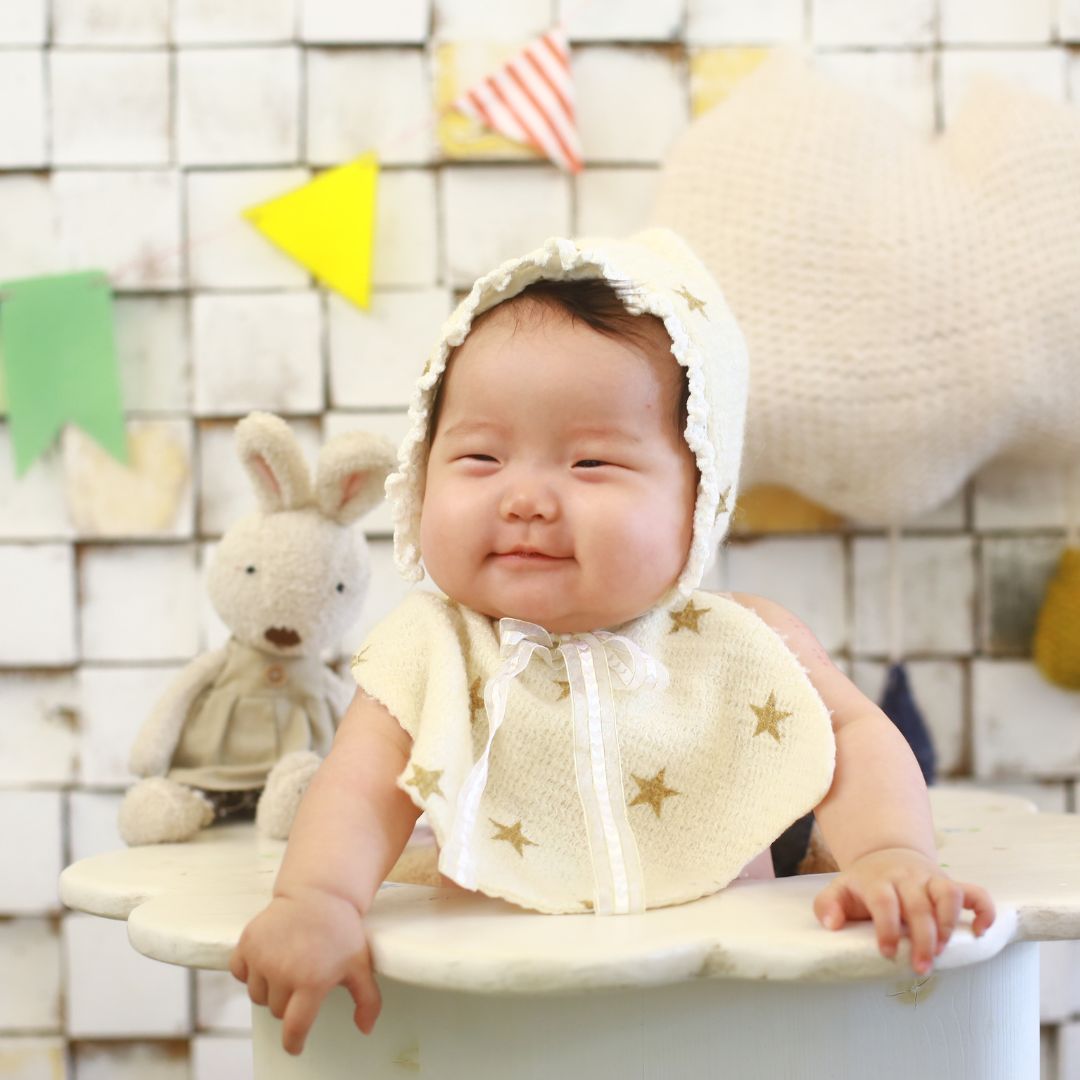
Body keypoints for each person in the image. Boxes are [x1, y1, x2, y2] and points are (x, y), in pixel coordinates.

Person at [230, 229, 995, 1055]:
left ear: (700, 495)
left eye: (591, 463)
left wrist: (887, 852)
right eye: (480, 456)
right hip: (502, 1011)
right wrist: (318, 902)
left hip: (735, 1007)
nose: (525, 497)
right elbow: (356, 790)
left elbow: (847, 740)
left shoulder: (739, 642)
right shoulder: (432, 651)